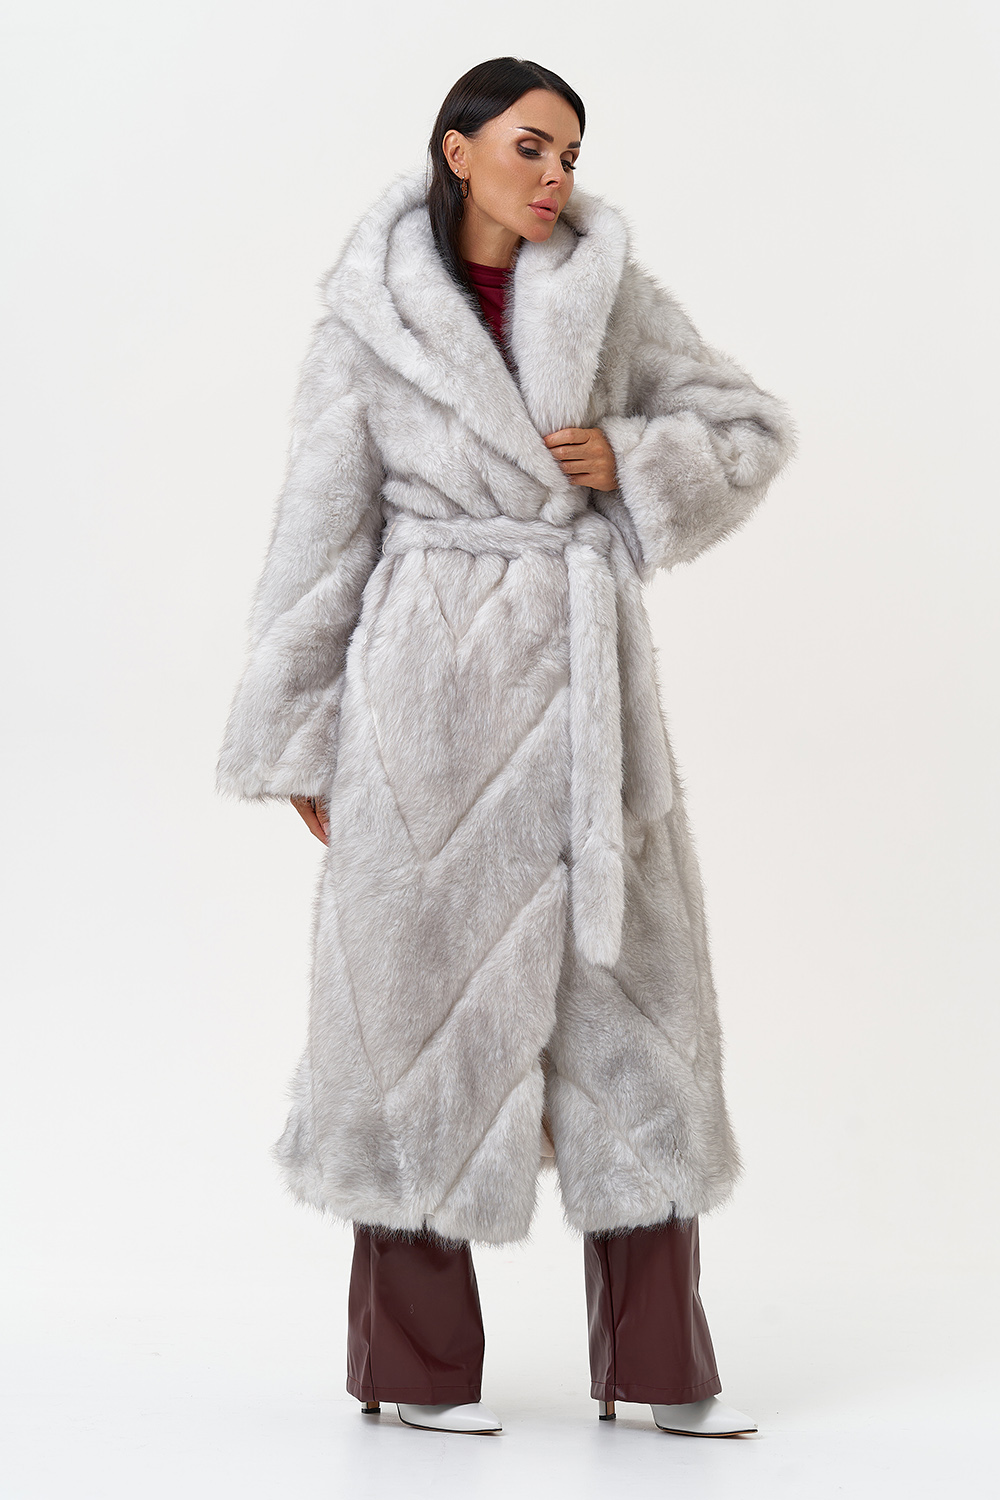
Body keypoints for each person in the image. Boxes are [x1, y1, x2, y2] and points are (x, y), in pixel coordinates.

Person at [216, 56, 796, 1438]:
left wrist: (632, 461)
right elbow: (317, 539)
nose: (555, 175)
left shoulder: (611, 294)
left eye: (570, 154)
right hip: (428, 713)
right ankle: (413, 1376)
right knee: (416, 1030)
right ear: (457, 148)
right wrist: (302, 740)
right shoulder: (369, 326)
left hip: (593, 722)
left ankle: (659, 1372)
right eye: (530, 145)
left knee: (635, 1028)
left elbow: (744, 426)